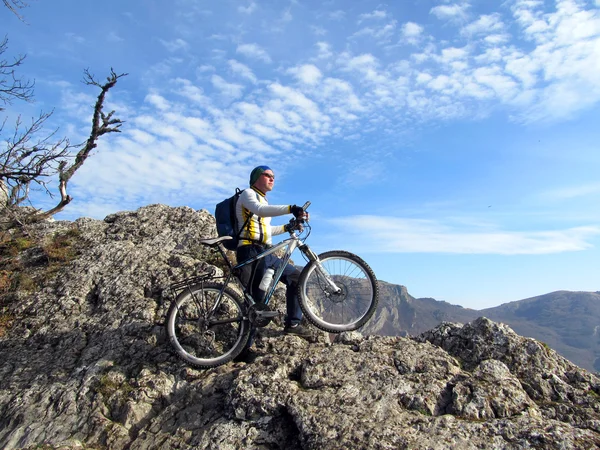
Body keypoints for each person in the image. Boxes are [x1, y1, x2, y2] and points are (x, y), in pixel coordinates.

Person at [235, 165, 311, 340]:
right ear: (256, 178)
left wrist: (287, 227)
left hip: (265, 251)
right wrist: (291, 208)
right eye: (267, 175)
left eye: (273, 176)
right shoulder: (248, 194)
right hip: (250, 251)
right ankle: (243, 348)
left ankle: (293, 323)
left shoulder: (264, 200)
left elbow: (266, 230)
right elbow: (260, 211)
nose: (272, 179)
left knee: (296, 277)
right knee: (255, 301)